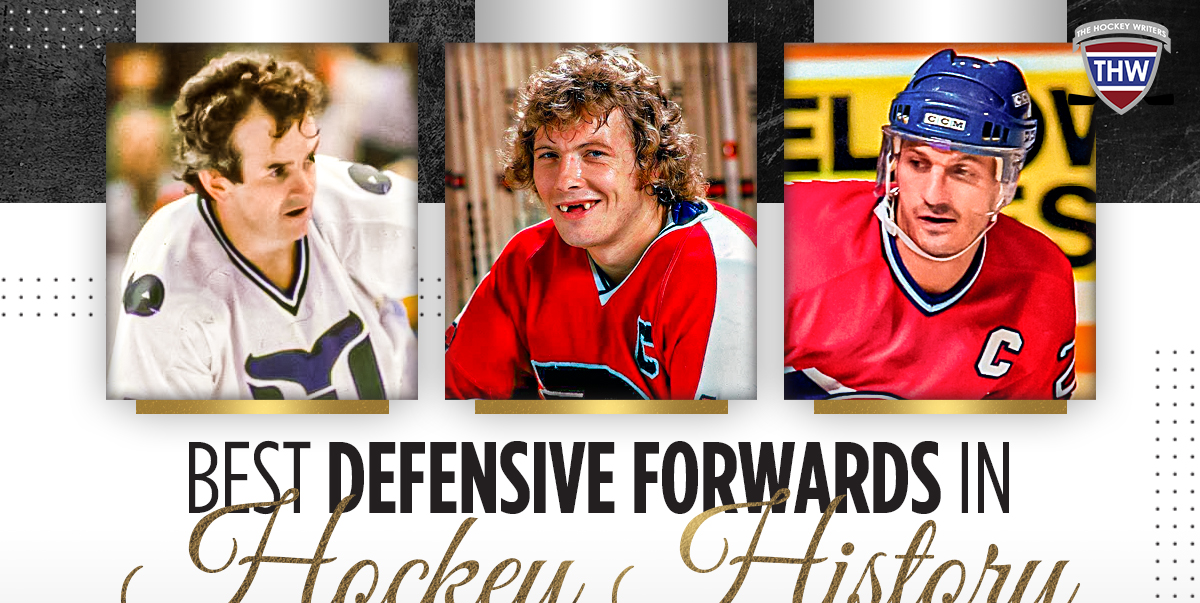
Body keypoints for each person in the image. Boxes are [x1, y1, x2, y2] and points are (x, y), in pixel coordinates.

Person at [445, 46, 757, 400]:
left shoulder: (724, 269)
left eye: (594, 153)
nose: (565, 180)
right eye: (548, 155)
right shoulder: (527, 261)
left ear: (652, 164)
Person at [108, 52, 417, 400]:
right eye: (277, 170)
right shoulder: (170, 269)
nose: (305, 187)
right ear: (216, 182)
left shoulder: (352, 204)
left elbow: (467, 249)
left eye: (309, 159)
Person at [784, 49, 1077, 400]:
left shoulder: (1041, 279)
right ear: (893, 162)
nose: (933, 196)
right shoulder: (793, 235)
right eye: (918, 163)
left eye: (962, 171)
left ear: (1004, 182)